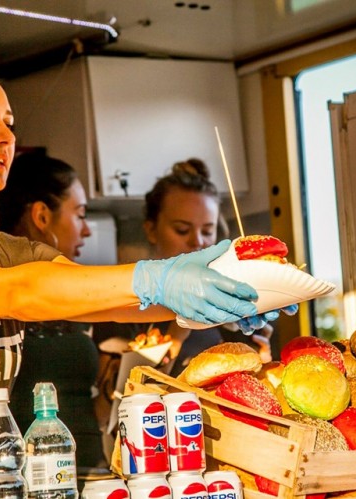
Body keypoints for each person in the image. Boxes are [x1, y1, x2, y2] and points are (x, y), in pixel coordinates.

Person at [0, 57, 291, 498]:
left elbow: (112, 300)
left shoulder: (9, 252)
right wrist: (158, 278)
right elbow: (19, 293)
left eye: (9, 123)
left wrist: (231, 293)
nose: (5, 137)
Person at [93, 158, 293, 459]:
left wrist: (261, 363)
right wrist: (179, 330)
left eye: (207, 231)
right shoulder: (122, 308)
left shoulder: (236, 309)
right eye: (182, 229)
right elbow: (106, 411)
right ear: (151, 230)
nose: (197, 242)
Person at [0, 151, 106, 470]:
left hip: (92, 470)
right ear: (41, 216)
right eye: (79, 215)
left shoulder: (77, 293)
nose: (87, 230)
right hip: (30, 477)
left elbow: (90, 407)